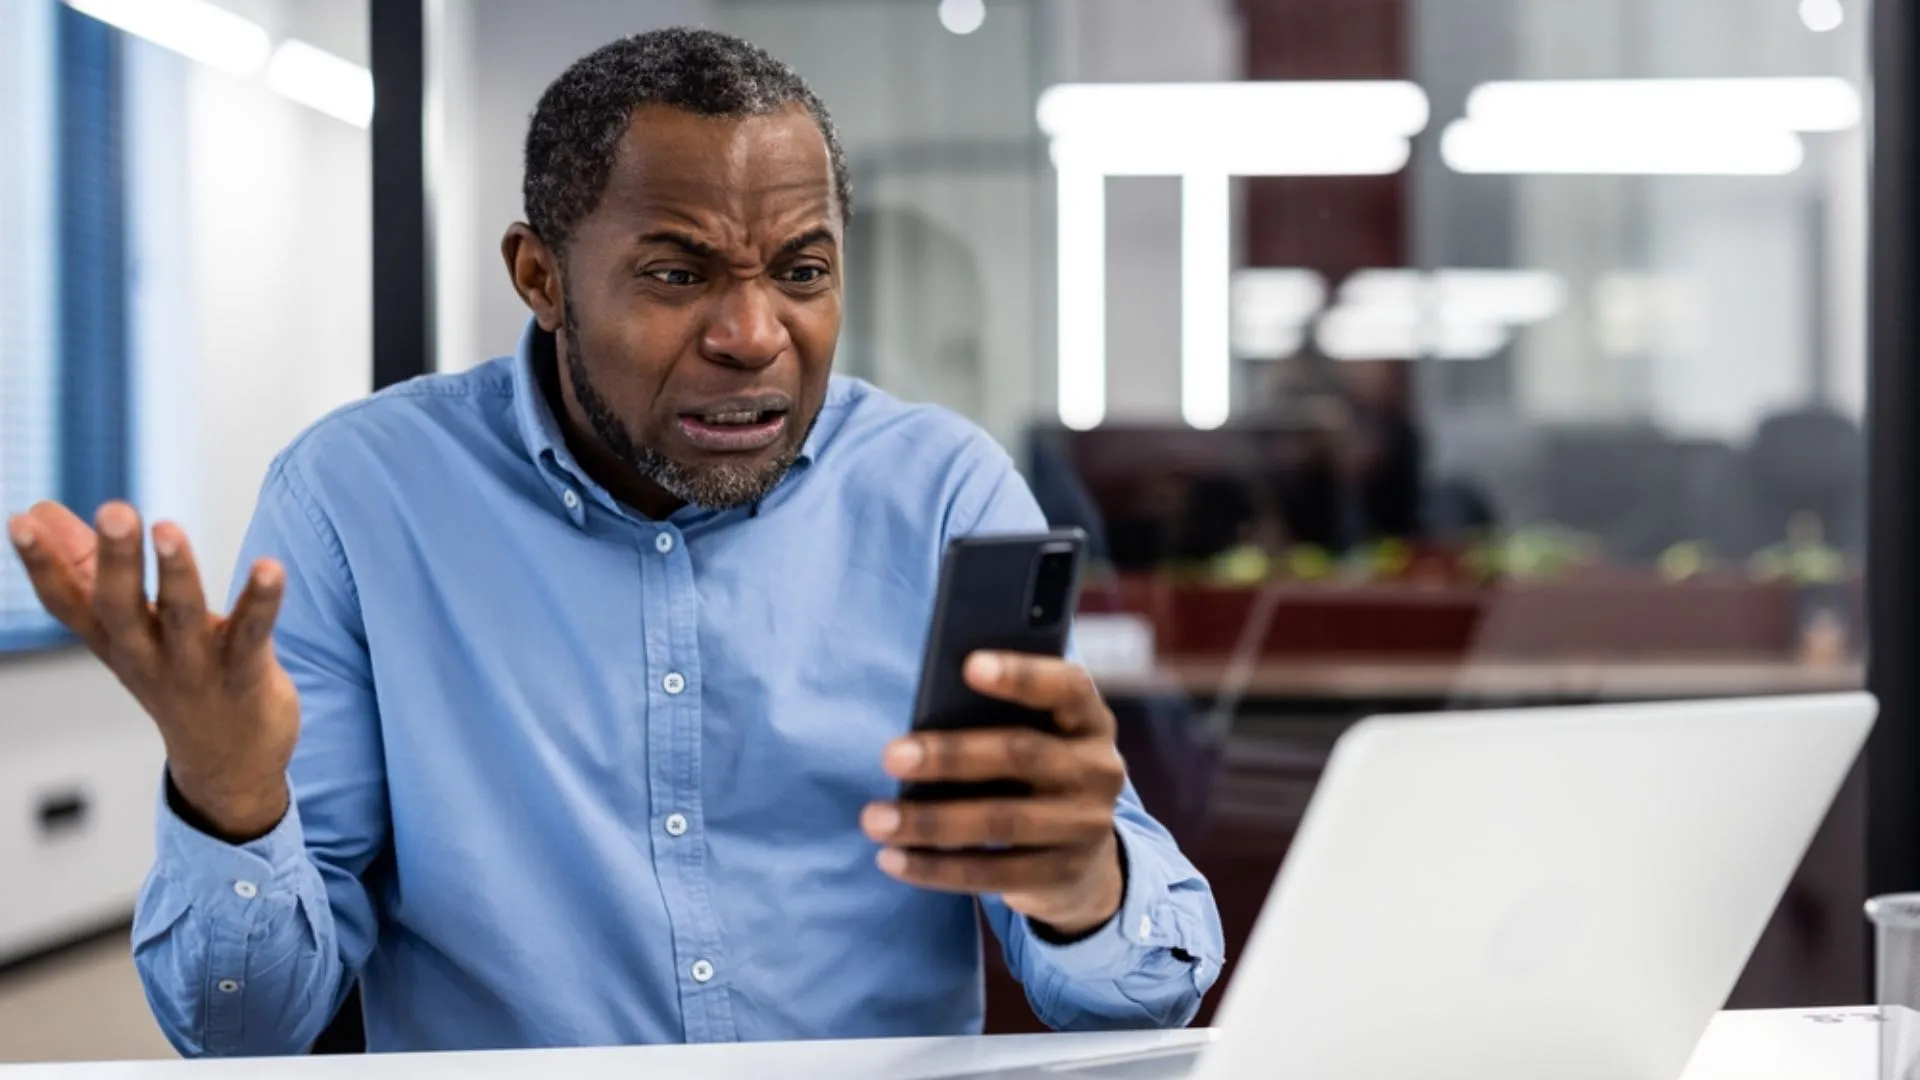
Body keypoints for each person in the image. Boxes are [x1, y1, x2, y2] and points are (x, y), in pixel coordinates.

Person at [5, 29, 1222, 1056]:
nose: (755, 334)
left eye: (802, 270)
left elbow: (1142, 989)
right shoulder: (358, 500)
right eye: (678, 272)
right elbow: (241, 1030)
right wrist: (230, 797)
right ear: (541, 275)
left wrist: (1078, 889)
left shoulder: (942, 492)